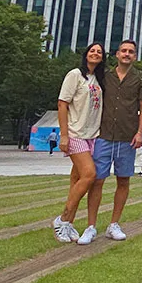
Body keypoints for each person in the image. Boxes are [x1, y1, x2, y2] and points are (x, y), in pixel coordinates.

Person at [87, 39, 142, 244]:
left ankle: (114, 224)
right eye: (124, 51)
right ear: (117, 54)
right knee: (97, 181)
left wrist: (140, 132)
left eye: (131, 51)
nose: (127, 54)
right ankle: (91, 226)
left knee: (123, 180)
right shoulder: (105, 76)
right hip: (104, 135)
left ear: (135, 56)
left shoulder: (140, 78)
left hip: (127, 137)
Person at [53, 43, 105, 245]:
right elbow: (62, 103)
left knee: (77, 179)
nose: (95, 54)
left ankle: (69, 223)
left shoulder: (98, 80)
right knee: (89, 174)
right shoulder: (75, 75)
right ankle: (62, 219)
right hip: (76, 133)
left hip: (93, 135)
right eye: (92, 51)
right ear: (86, 55)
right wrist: (64, 135)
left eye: (99, 52)